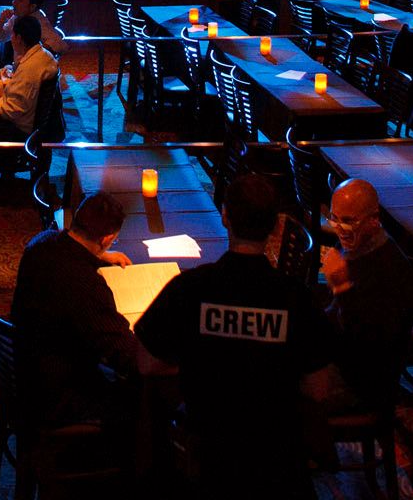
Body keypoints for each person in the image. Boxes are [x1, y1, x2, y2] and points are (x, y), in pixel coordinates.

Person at [134, 174, 340, 496]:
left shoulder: (190, 288)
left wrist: (198, 360)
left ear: (225, 216)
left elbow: (146, 363)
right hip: (277, 462)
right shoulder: (296, 298)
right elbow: (318, 388)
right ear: (274, 228)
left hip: (206, 457)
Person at [12, 193, 139, 426]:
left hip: (26, 364)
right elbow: (123, 352)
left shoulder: (42, 241)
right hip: (55, 392)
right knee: (141, 400)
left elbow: (70, 251)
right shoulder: (85, 284)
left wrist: (100, 256)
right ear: (107, 238)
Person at [318, 179, 410, 412]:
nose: (339, 229)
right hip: (337, 360)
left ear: (374, 219)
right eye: (334, 219)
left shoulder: (390, 268)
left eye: (349, 221)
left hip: (361, 385)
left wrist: (341, 287)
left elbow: (369, 347)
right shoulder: (353, 248)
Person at [0, 13, 56, 139]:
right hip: (22, 115)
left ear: (18, 38)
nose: (11, 39)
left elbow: (13, 109)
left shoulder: (30, 68)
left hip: (18, 128)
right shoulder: (42, 54)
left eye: (12, 35)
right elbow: (15, 89)